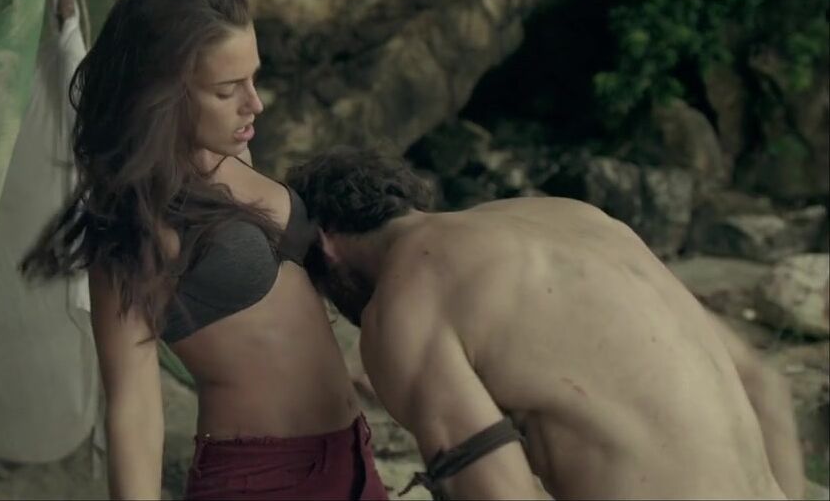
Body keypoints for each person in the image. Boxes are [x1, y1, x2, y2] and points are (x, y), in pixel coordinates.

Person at [22, 0, 387, 500]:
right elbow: (133, 405)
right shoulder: (135, 224)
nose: (254, 103)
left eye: (253, 78)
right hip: (262, 480)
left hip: (352, 459)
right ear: (162, 94)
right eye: (226, 90)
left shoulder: (232, 152)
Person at [285, 146, 803, 500]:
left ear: (325, 246)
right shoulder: (576, 217)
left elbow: (499, 492)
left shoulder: (403, 303)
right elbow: (764, 384)